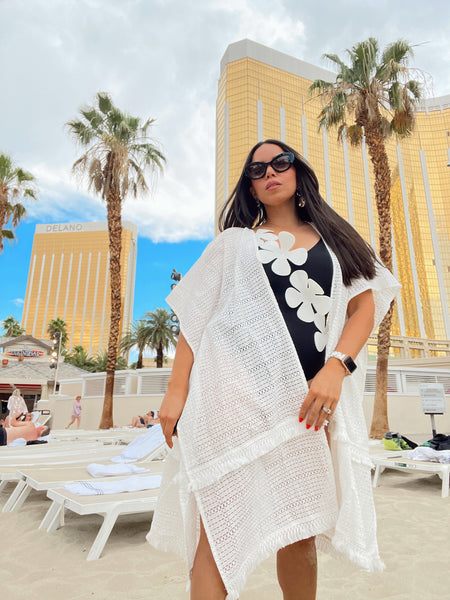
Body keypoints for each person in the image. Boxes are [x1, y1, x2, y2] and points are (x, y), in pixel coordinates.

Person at [148, 140, 400, 600]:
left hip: (307, 402)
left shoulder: (336, 240)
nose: (270, 172)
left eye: (280, 162)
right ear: (251, 185)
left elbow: (364, 307)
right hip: (232, 397)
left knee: (301, 528)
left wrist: (336, 368)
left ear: (298, 172)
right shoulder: (234, 244)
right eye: (257, 169)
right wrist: (176, 392)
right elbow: (194, 317)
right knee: (220, 527)